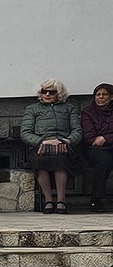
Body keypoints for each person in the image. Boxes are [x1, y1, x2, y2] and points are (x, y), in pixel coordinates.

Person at [21, 79, 81, 213]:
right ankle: (48, 200)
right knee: (40, 161)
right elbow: (25, 133)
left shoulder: (69, 108)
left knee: (60, 159)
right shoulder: (32, 109)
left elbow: (77, 131)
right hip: (40, 145)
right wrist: (42, 141)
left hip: (63, 143)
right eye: (44, 91)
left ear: (59, 93)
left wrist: (67, 141)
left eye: (52, 92)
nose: (47, 94)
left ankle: (61, 200)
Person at [83, 83, 113, 210]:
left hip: (108, 145)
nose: (100, 97)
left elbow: (101, 139)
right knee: (104, 161)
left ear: (111, 97)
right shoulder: (88, 112)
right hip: (94, 149)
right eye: (98, 95)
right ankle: (97, 199)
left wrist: (105, 138)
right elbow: (90, 138)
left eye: (104, 94)